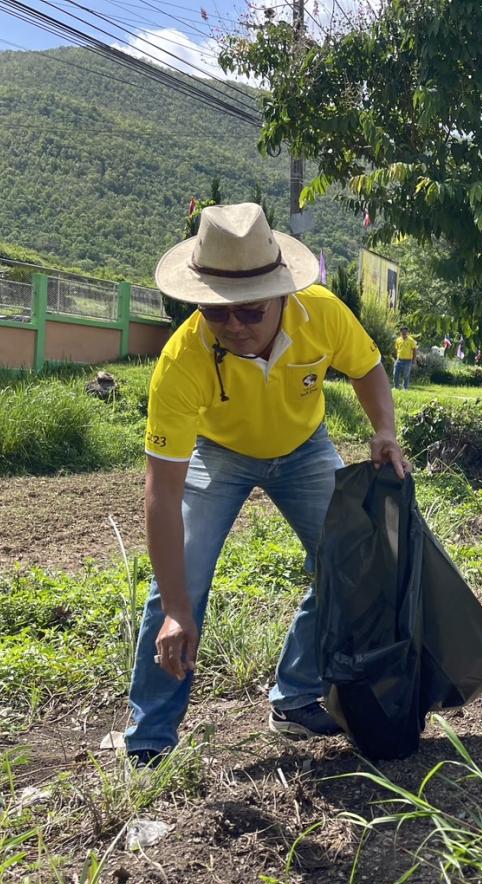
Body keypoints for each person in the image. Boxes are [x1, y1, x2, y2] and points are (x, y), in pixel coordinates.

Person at [126, 203, 411, 766]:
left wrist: (384, 430)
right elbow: (161, 495)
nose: (233, 327)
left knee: (348, 560)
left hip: (303, 448)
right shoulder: (180, 362)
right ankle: (150, 739)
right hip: (219, 454)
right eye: (216, 314)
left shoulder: (323, 314)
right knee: (177, 585)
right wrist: (179, 610)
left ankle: (297, 695)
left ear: (283, 293)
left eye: (249, 313)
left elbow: (367, 367)